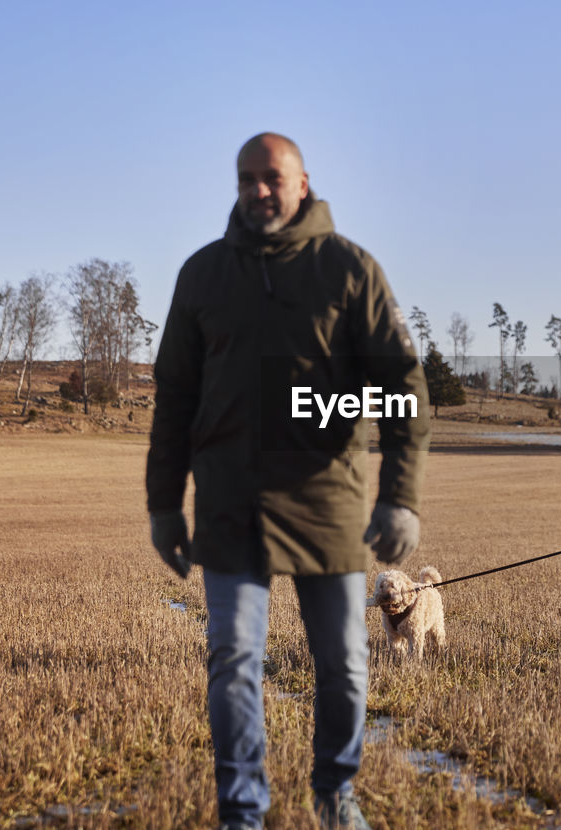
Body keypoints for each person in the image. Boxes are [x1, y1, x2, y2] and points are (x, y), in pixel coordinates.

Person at [146, 132, 430, 830]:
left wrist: (399, 497)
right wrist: (162, 505)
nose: (258, 189)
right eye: (246, 178)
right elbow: (174, 397)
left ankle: (335, 794)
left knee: (343, 663)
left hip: (326, 504)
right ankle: (241, 811)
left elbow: (405, 388)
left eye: (272, 176)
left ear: (303, 183)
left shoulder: (349, 269)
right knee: (233, 661)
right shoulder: (203, 274)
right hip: (228, 506)